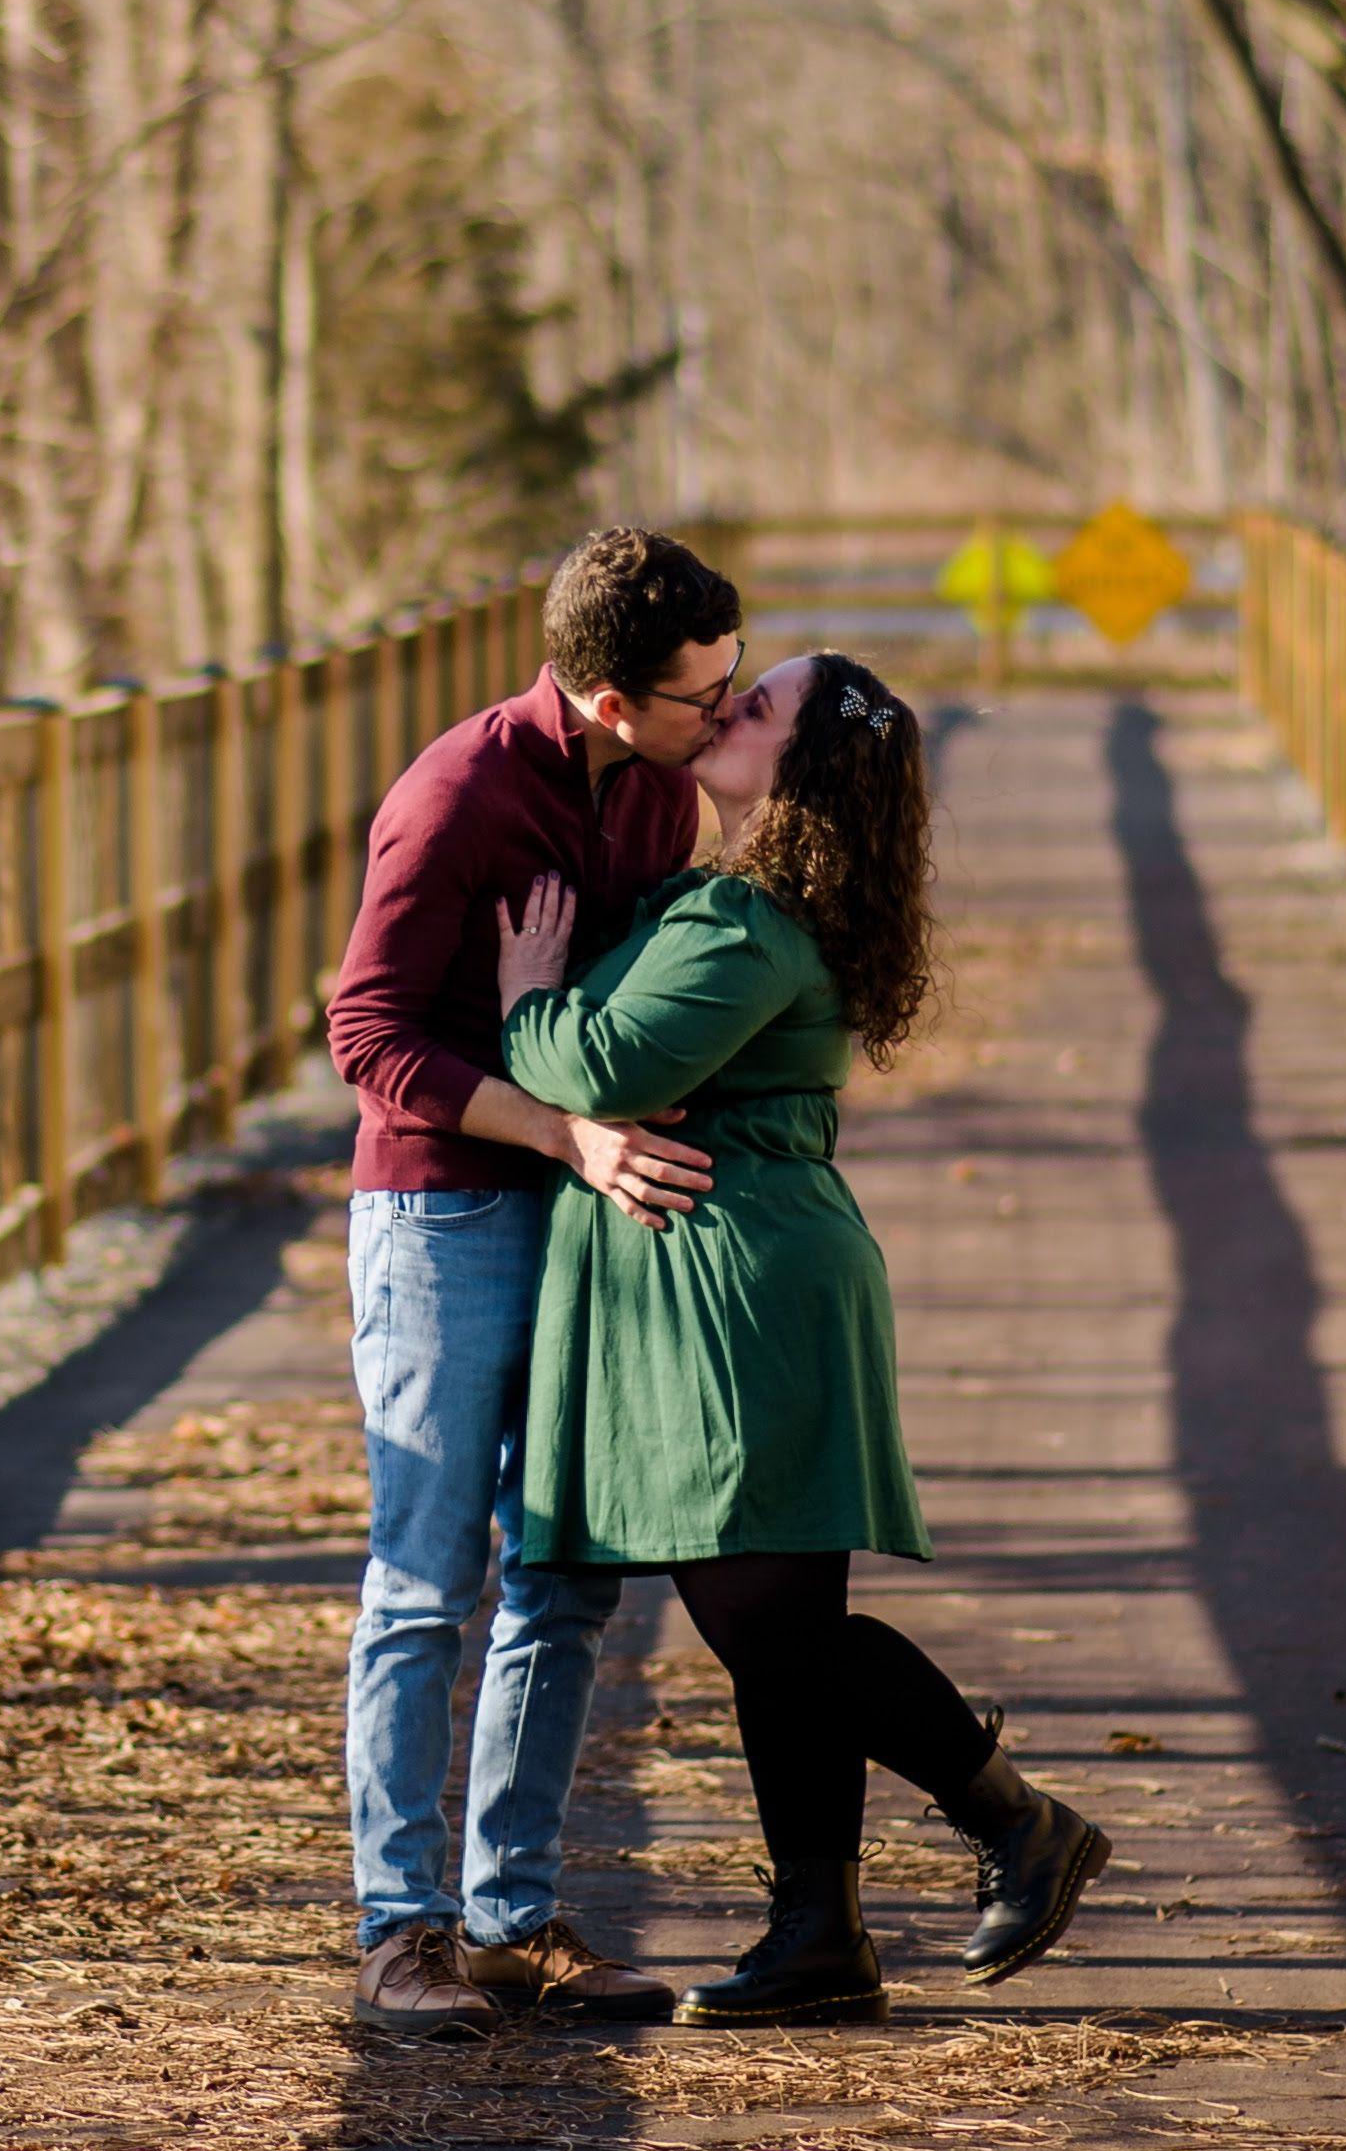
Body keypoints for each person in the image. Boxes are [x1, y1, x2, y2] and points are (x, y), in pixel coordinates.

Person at [491, 650, 1113, 2022]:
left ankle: (1017, 1820)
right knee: (775, 1625)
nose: (723, 711)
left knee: (764, 1620)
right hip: (733, 1269)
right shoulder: (728, 904)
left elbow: (600, 1071)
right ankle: (819, 1932)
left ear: (802, 771)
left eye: (753, 707)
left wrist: (528, 992)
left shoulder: (747, 925)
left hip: (746, 1282)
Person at [309, 524, 744, 2038]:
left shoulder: (667, 792)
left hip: (580, 1213)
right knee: (428, 1580)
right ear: (611, 699)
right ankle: (399, 1930)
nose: (726, 718)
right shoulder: (455, 799)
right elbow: (366, 1038)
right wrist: (561, 1126)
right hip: (442, 1219)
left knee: (564, 1570)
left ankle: (513, 1919)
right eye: (704, 697)